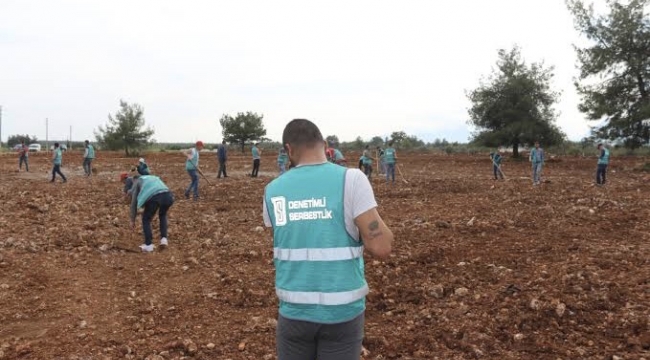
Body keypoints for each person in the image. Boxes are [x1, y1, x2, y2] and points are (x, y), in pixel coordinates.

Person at [262, 119, 393, 360]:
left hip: (293, 312)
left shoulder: (273, 190)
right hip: (342, 314)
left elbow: (287, 237)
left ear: (288, 150)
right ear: (324, 144)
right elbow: (382, 246)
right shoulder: (352, 180)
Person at [127, 175, 174, 253]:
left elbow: (134, 202)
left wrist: (132, 220)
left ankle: (148, 245)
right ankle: (164, 239)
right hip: (168, 195)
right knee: (162, 215)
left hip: (154, 197)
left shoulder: (137, 182)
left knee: (146, 219)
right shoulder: (152, 177)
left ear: (135, 180)